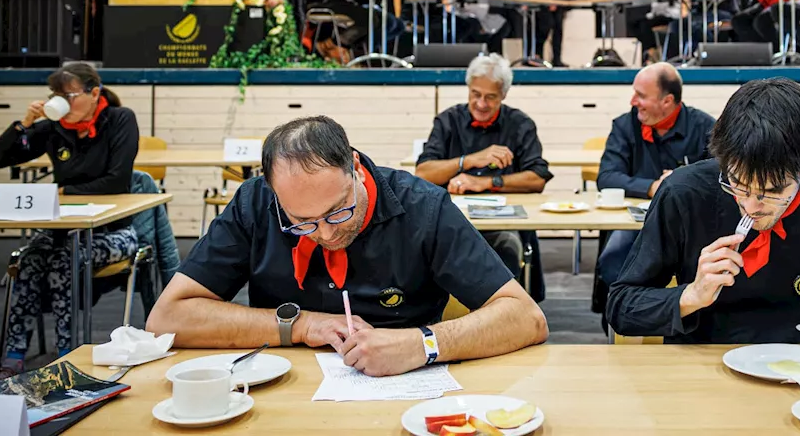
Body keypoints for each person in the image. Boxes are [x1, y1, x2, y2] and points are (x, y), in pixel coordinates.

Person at [147, 115, 546, 376]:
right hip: (277, 393)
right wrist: (303, 325)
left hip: (404, 393)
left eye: (338, 212)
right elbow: (167, 319)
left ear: (355, 168)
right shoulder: (255, 204)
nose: (325, 234)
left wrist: (422, 343)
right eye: (301, 222)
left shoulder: (423, 208)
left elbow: (526, 318)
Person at [606, 78, 800, 349]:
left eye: (774, 191)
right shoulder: (684, 192)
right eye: (736, 183)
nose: (750, 206)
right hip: (705, 369)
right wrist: (690, 296)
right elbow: (622, 307)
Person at [0, 62, 140, 375]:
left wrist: (64, 190)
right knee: (30, 259)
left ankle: (69, 353)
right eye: (57, 96)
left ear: (94, 93)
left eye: (70, 95)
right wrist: (25, 124)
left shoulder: (120, 120)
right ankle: (13, 355)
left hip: (113, 232)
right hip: (61, 231)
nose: (62, 103)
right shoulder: (54, 129)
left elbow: (117, 181)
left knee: (63, 260)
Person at [415, 54, 552, 279]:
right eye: (475, 94)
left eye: (490, 97)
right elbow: (423, 173)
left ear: (504, 95)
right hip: (453, 220)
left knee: (507, 248)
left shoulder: (520, 124)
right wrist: (467, 161)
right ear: (468, 88)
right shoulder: (448, 121)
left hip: (504, 223)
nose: (481, 104)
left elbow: (537, 178)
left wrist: (487, 182)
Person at [596, 64, 715, 289]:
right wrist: (653, 187)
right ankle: (624, 318)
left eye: (640, 95)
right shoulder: (624, 126)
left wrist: (681, 183)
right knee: (613, 260)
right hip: (633, 224)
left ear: (667, 101)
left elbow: (721, 178)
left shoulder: (706, 128)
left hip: (689, 223)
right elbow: (607, 178)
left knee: (702, 266)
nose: (633, 101)